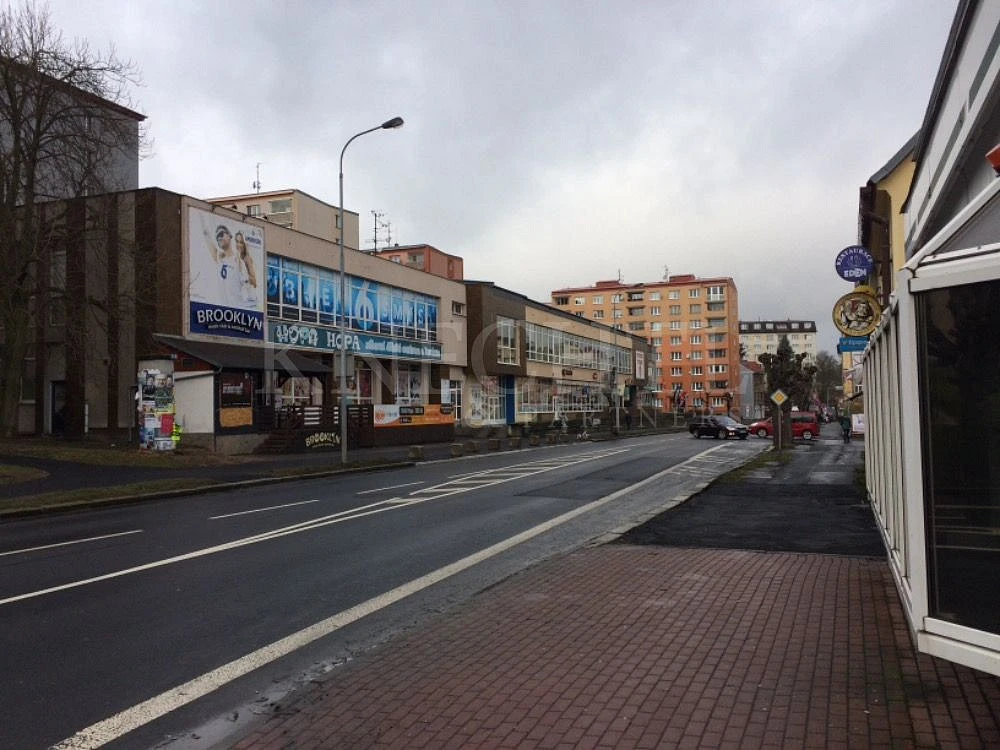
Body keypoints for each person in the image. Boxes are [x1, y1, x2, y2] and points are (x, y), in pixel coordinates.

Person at [233, 231, 258, 305]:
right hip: (236, 298)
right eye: (237, 241)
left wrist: (245, 277)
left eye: (241, 242)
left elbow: (254, 282)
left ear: (244, 244)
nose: (238, 245)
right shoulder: (235, 258)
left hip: (248, 298)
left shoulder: (247, 259)